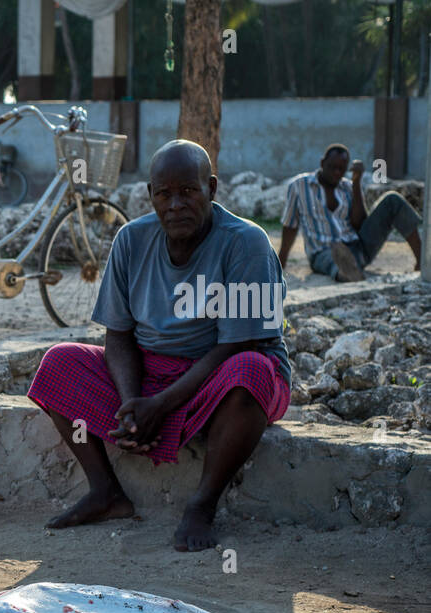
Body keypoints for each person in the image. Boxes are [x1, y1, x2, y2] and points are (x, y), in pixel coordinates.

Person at [26, 140, 291, 552]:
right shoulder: (131, 240)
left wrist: (159, 406)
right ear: (150, 194)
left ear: (212, 188)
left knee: (251, 371)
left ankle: (202, 503)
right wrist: (133, 405)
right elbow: (118, 335)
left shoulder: (246, 242)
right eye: (164, 194)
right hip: (153, 375)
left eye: (188, 191)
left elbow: (239, 344)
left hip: (222, 372)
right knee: (58, 364)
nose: (175, 204)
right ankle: (106, 492)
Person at [278, 144, 422, 281]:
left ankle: (422, 260)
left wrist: (357, 184)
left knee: (392, 200)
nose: (336, 173)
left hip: (357, 247)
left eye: (341, 169)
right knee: (333, 257)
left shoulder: (348, 187)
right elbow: (290, 225)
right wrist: (281, 262)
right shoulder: (299, 185)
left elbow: (359, 224)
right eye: (332, 167)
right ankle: (347, 273)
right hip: (323, 251)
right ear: (322, 163)